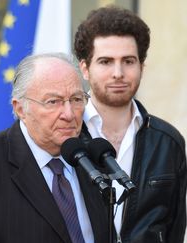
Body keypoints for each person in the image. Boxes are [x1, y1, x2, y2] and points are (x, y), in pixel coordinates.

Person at [0, 53, 109, 243]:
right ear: (20, 108)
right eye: (53, 102)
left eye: (77, 99)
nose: (69, 114)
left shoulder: (93, 157)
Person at [74, 6, 187, 243]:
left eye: (128, 61)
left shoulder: (168, 142)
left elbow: (174, 230)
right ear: (85, 68)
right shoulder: (66, 137)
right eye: (105, 61)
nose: (118, 73)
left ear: (141, 66)